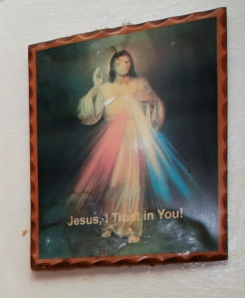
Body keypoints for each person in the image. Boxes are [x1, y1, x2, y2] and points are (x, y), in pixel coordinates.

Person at [70, 49, 191, 243]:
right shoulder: (106, 88)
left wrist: (146, 98)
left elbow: (155, 103)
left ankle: (133, 229)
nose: (124, 66)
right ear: (113, 66)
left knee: (133, 183)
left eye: (127, 62)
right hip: (113, 137)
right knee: (115, 183)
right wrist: (95, 87)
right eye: (119, 63)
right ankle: (110, 224)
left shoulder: (140, 83)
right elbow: (89, 114)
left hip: (135, 137)